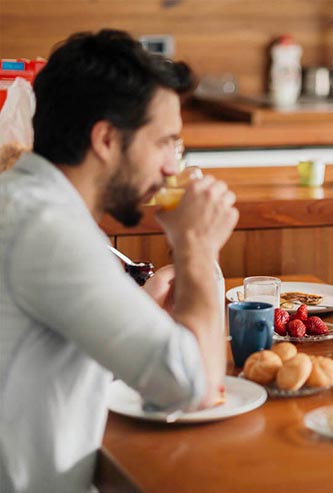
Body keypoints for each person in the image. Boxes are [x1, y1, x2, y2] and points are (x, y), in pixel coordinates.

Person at [0, 30, 238, 492]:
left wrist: (140, 307)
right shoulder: (48, 228)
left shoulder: (24, 200)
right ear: (107, 139)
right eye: (164, 142)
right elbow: (191, 388)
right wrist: (196, 247)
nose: (172, 166)